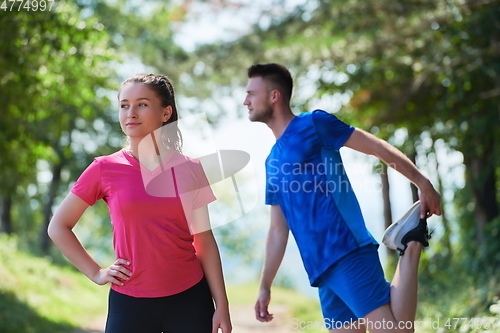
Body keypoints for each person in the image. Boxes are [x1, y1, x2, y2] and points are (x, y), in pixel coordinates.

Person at [243, 63, 441, 333]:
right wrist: (265, 285)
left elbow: (373, 146)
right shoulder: (271, 162)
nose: (246, 101)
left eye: (251, 94)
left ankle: (412, 242)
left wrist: (422, 181)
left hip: (346, 250)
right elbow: (278, 229)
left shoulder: (313, 124)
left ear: (274, 95)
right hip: (320, 270)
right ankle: (411, 238)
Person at [48, 74, 232, 333]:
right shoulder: (104, 168)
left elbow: (204, 241)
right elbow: (59, 226)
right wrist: (96, 273)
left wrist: (221, 304)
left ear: (165, 113)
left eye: (142, 104)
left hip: (190, 298)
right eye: (124, 105)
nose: (131, 113)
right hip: (130, 301)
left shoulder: (190, 168)